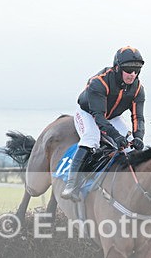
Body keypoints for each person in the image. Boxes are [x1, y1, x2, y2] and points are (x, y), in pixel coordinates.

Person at [60, 46, 146, 201]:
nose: (132, 74)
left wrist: (138, 137)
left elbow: (138, 118)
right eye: (128, 69)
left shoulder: (138, 88)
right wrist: (116, 136)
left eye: (136, 70)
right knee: (91, 137)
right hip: (89, 113)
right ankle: (71, 184)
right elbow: (99, 118)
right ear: (118, 67)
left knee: (131, 146)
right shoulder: (99, 82)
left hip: (112, 117)